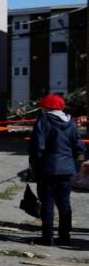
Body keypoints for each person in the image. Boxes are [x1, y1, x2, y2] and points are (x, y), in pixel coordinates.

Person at [28, 94, 84, 247]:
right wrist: (72, 160)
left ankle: (48, 237)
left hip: (47, 169)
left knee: (48, 203)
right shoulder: (71, 122)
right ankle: (65, 236)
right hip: (67, 170)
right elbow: (79, 146)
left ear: (46, 107)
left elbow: (37, 147)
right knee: (64, 203)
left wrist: (35, 165)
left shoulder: (43, 120)